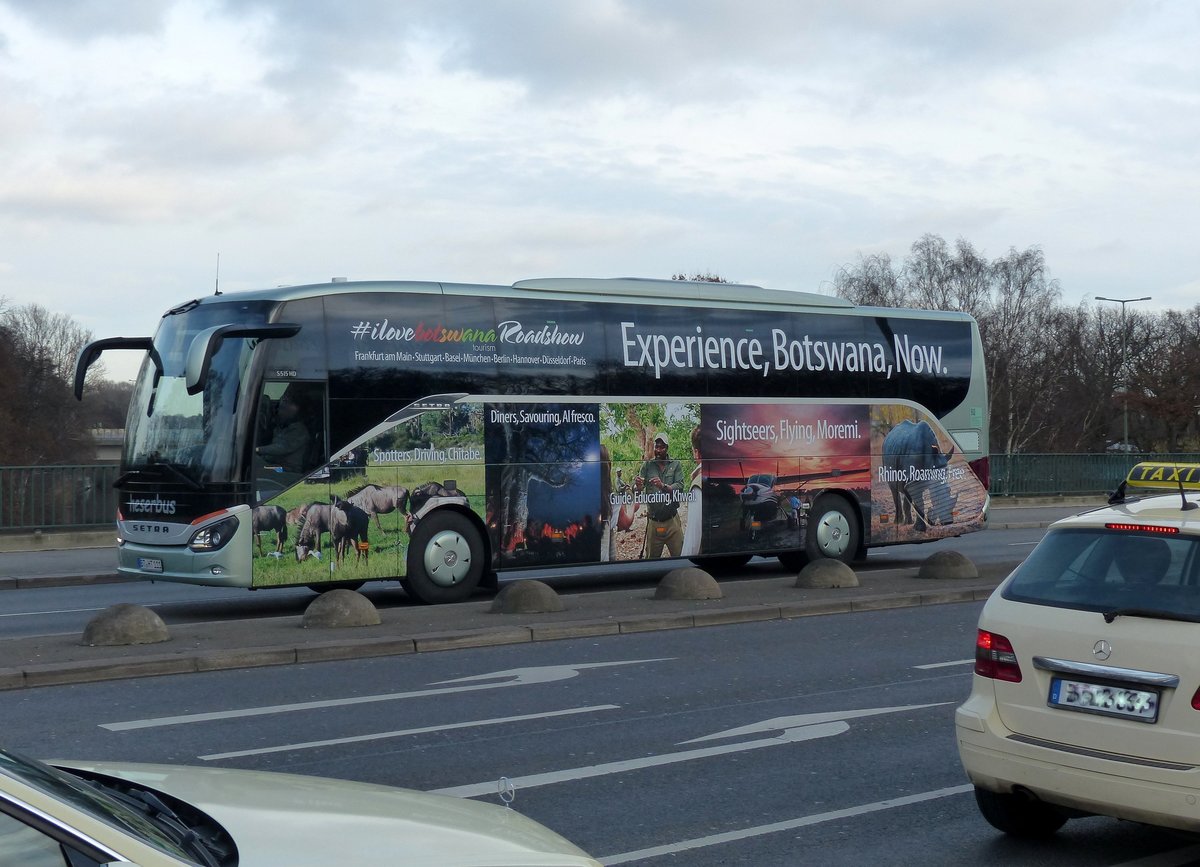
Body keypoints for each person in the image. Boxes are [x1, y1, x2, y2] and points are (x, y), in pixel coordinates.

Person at [635, 431, 684, 559]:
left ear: (667, 448)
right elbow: (638, 491)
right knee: (650, 562)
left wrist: (663, 486)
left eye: (661, 447)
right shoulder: (647, 466)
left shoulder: (676, 464)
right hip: (653, 523)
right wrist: (638, 486)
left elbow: (680, 486)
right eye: (656, 446)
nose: (658, 450)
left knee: (682, 559)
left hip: (672, 521)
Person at [255, 393, 311, 474]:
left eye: (283, 408)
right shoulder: (282, 426)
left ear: (294, 410)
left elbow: (282, 448)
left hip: (288, 469)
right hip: (275, 464)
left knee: (259, 471)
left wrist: (257, 449)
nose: (279, 411)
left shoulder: (299, 430)